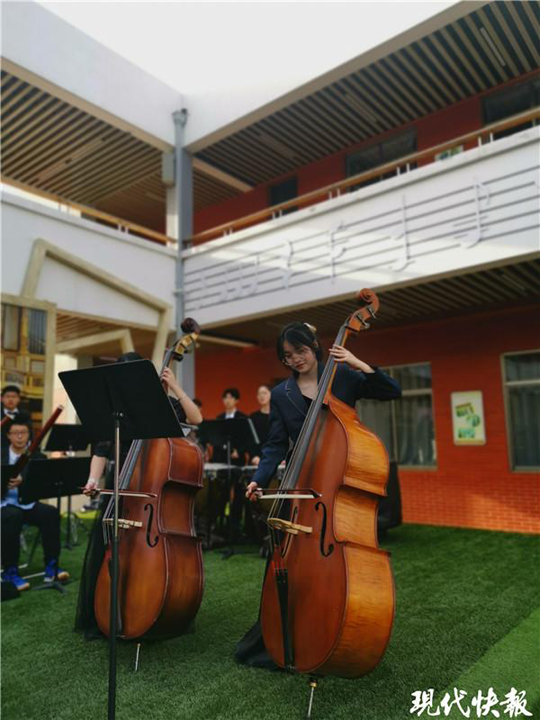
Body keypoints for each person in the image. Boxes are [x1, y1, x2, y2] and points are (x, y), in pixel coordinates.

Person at [236, 321, 401, 669]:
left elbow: (391, 391)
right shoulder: (281, 394)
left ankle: (330, 632)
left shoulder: (342, 377)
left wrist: (358, 363)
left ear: (314, 346)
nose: (296, 359)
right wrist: (258, 479)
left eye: (300, 351)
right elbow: (275, 444)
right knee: (286, 560)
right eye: (288, 356)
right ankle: (277, 635)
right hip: (301, 483)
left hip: (336, 482)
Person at [75, 352, 202, 638]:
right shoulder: (114, 410)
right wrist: (93, 480)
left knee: (144, 554)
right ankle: (104, 614)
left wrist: (175, 386)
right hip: (119, 486)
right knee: (108, 550)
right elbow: (101, 451)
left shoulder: (162, 405)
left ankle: (151, 607)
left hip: (149, 490)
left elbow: (196, 417)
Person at [1, 421, 70, 591]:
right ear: (8, 436)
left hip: (27, 504)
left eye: (23, 432)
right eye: (15, 433)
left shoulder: (37, 457)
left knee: (50, 513)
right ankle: (10, 571)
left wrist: (23, 481)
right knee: (13, 516)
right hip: (4, 504)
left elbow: (40, 485)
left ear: (29, 435)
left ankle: (52, 567)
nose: (19, 436)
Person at [249, 385, 271, 465]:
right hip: (256, 459)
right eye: (259, 394)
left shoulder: (279, 416)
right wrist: (254, 456)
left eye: (264, 393)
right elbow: (249, 439)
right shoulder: (253, 417)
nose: (262, 396)